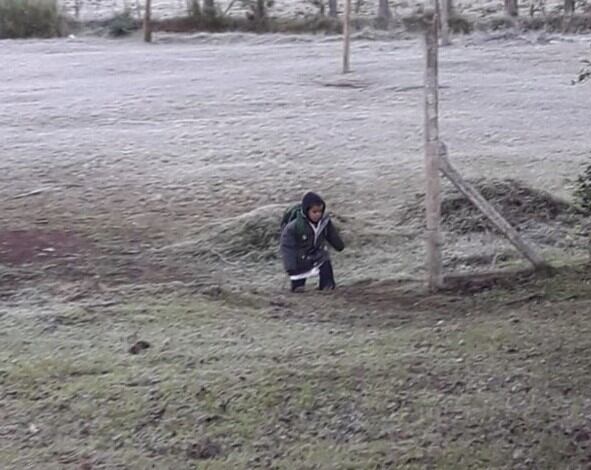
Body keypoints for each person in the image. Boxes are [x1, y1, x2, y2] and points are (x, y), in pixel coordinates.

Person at [280, 192, 345, 292]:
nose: (318, 214)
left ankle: (327, 286)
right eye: (314, 212)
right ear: (307, 211)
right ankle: (298, 287)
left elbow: (331, 234)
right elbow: (287, 246)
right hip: (300, 258)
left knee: (325, 263)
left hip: (318, 254)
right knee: (298, 288)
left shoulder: (324, 222)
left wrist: (339, 245)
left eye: (320, 211)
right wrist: (290, 266)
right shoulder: (294, 226)